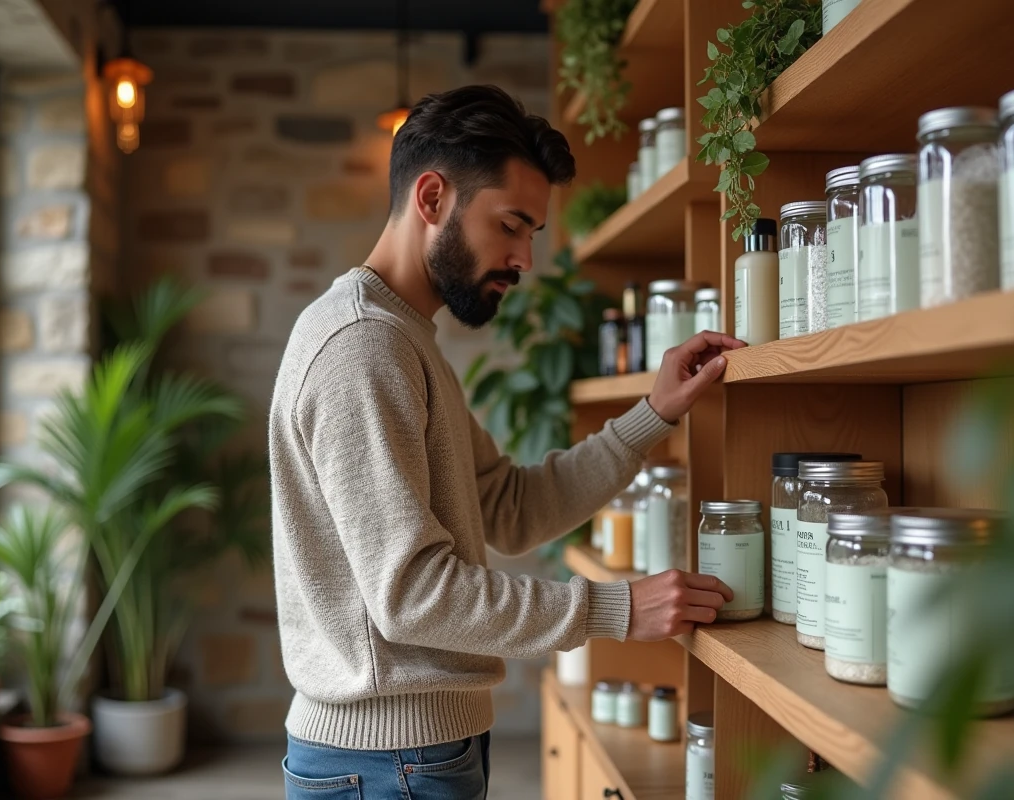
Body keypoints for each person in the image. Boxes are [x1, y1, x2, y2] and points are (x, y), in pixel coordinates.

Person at [269, 85, 745, 799]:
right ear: (432, 199)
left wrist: (653, 412)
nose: (525, 258)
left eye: (533, 235)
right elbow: (412, 595)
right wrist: (617, 609)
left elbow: (510, 506)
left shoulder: (401, 339)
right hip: (386, 763)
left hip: (411, 755)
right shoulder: (364, 348)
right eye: (512, 225)